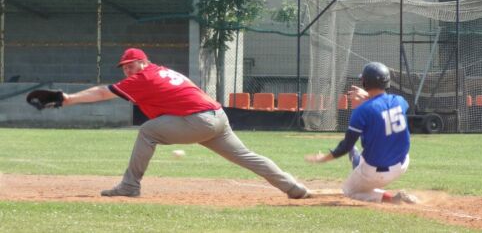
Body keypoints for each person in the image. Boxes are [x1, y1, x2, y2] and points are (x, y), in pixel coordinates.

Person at [60, 48, 310, 199]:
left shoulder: (143, 77)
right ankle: (293, 188)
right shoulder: (160, 71)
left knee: (147, 132)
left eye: (131, 65)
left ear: (143, 62)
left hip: (199, 120)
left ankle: (129, 185)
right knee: (246, 156)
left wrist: (69, 99)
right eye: (124, 67)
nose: (127, 70)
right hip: (217, 116)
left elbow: (104, 92)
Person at [305, 62, 417, 204]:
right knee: (378, 144)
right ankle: (357, 158)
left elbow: (345, 145)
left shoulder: (362, 111)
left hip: (375, 173)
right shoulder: (400, 101)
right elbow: (383, 105)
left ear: (365, 83)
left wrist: (324, 158)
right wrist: (369, 97)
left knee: (349, 191)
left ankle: (392, 198)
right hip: (402, 164)